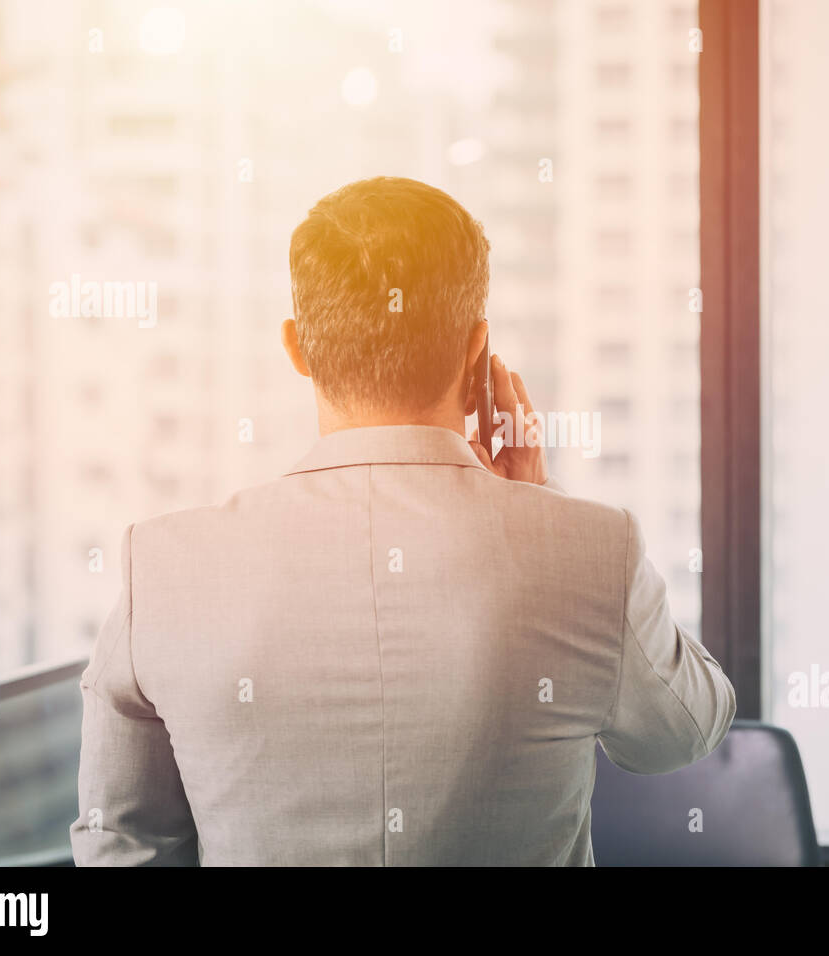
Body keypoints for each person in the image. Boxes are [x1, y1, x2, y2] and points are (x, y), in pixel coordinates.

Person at [70, 176, 736, 865]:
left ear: (297, 349)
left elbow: (120, 841)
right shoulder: (593, 550)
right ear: (478, 350)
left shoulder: (165, 566)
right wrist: (543, 505)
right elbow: (685, 730)